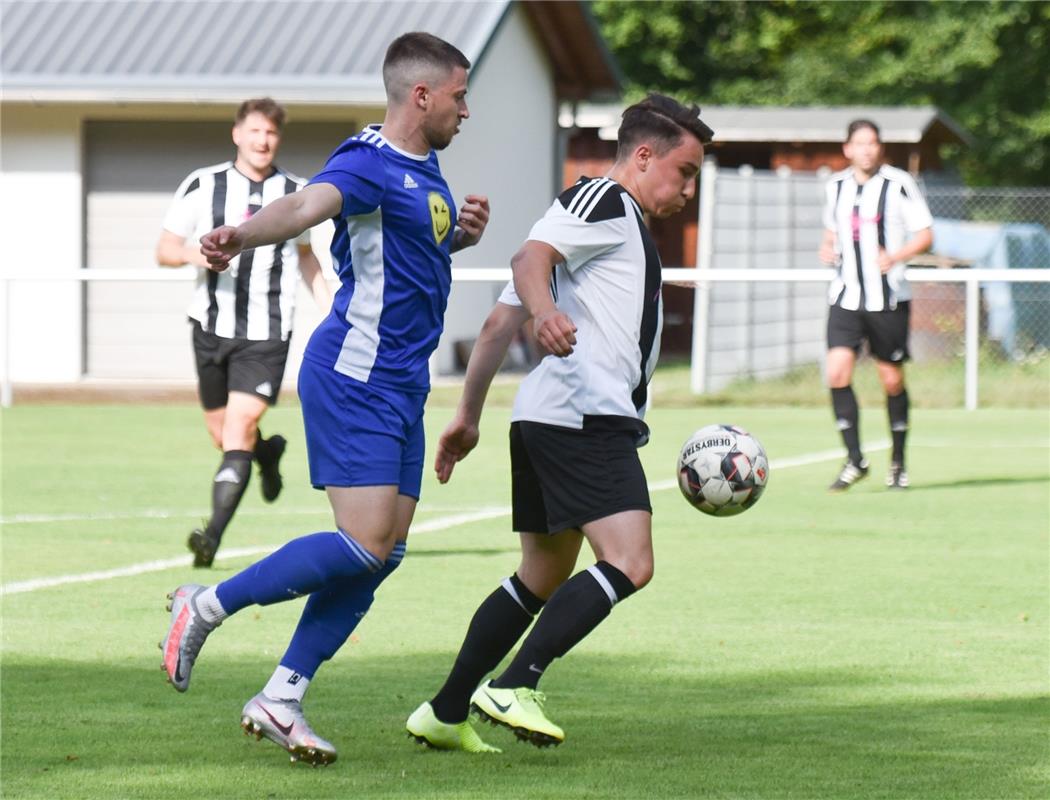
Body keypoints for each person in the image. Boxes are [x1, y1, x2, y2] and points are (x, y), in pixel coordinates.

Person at [158, 32, 490, 766]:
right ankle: (205, 605)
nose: (468, 110)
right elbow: (308, 204)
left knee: (384, 553)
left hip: (402, 382)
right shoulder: (366, 162)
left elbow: (405, 257)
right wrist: (240, 235)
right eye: (460, 96)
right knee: (364, 542)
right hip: (355, 373)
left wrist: (455, 238)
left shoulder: (424, 166)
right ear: (422, 95)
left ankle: (281, 695)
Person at [405, 94, 713, 752]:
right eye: (684, 172)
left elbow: (495, 324)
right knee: (630, 561)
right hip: (584, 414)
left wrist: (466, 418)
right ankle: (516, 682)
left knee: (539, 579)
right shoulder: (602, 202)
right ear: (644, 156)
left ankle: (446, 709)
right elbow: (527, 265)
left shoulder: (597, 222)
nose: (687, 189)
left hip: (552, 417)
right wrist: (546, 313)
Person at [156, 97, 333, 568]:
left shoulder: (295, 191)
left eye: (271, 133)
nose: (263, 141)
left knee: (239, 427)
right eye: (255, 131)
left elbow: (305, 256)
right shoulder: (204, 183)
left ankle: (210, 537)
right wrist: (205, 255)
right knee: (223, 436)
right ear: (238, 134)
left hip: (266, 334)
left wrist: (331, 309)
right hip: (210, 328)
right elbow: (166, 249)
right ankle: (268, 455)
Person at [818, 119, 933, 491]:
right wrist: (825, 246)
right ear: (847, 149)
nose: (866, 149)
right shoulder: (835, 187)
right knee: (837, 373)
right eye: (859, 143)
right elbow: (831, 232)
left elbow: (926, 234)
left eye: (873, 143)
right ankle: (855, 459)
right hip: (845, 296)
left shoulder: (898, 183)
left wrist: (896, 256)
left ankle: (898, 462)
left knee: (891, 379)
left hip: (887, 299)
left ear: (879, 148)